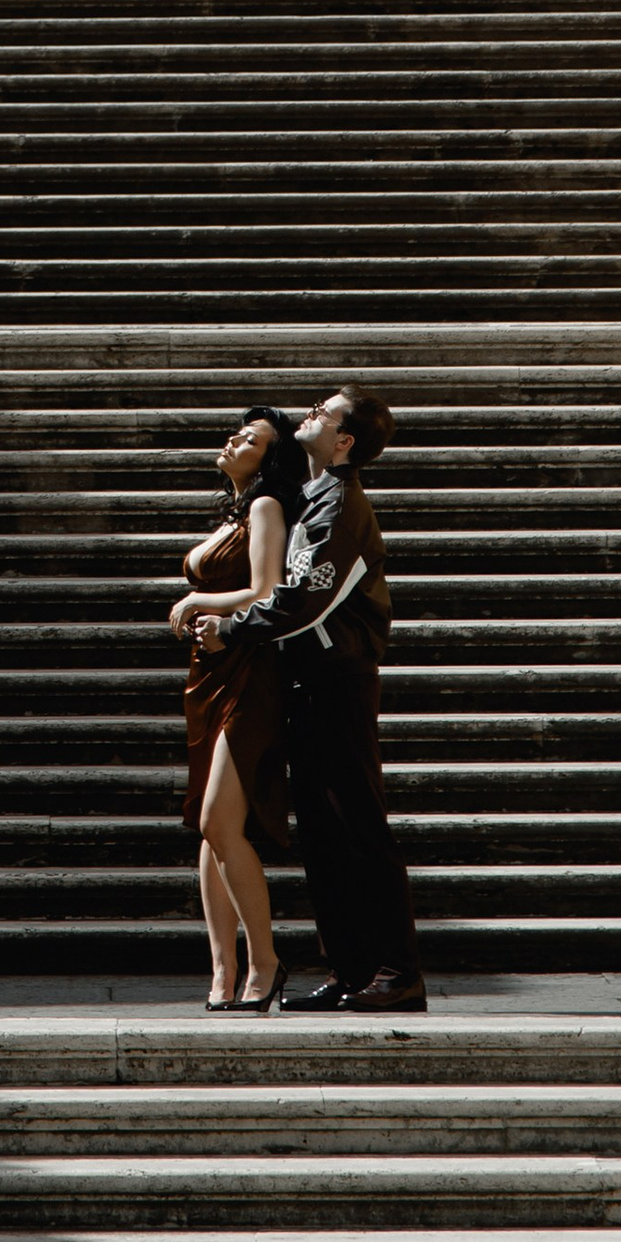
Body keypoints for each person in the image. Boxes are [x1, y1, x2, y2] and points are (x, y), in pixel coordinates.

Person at [178, 382, 425, 1014]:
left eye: (323, 413)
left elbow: (302, 599)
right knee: (322, 835)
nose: (309, 415)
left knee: (360, 829)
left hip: (340, 681)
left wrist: (232, 626)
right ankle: (349, 969)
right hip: (307, 682)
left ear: (344, 441)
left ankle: (397, 973)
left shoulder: (340, 505)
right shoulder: (315, 497)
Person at [170, 406, 300, 1009]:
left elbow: (268, 590)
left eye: (250, 439)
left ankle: (266, 962)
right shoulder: (232, 509)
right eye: (236, 432)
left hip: (251, 673)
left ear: (269, 459)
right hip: (211, 672)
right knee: (209, 828)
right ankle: (223, 974)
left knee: (222, 823)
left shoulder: (266, 506)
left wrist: (200, 598)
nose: (233, 440)